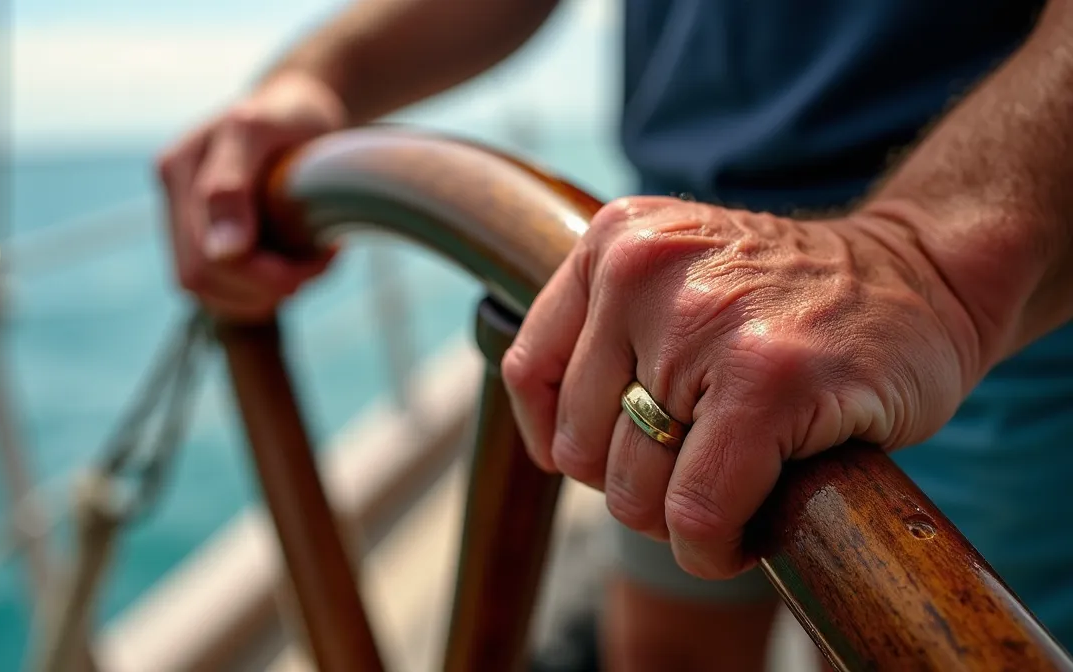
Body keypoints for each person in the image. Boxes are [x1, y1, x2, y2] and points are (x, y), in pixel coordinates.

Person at [156, 0, 1073, 668]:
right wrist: (320, 76)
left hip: (997, 287)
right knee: (665, 653)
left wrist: (926, 260)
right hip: (670, 285)